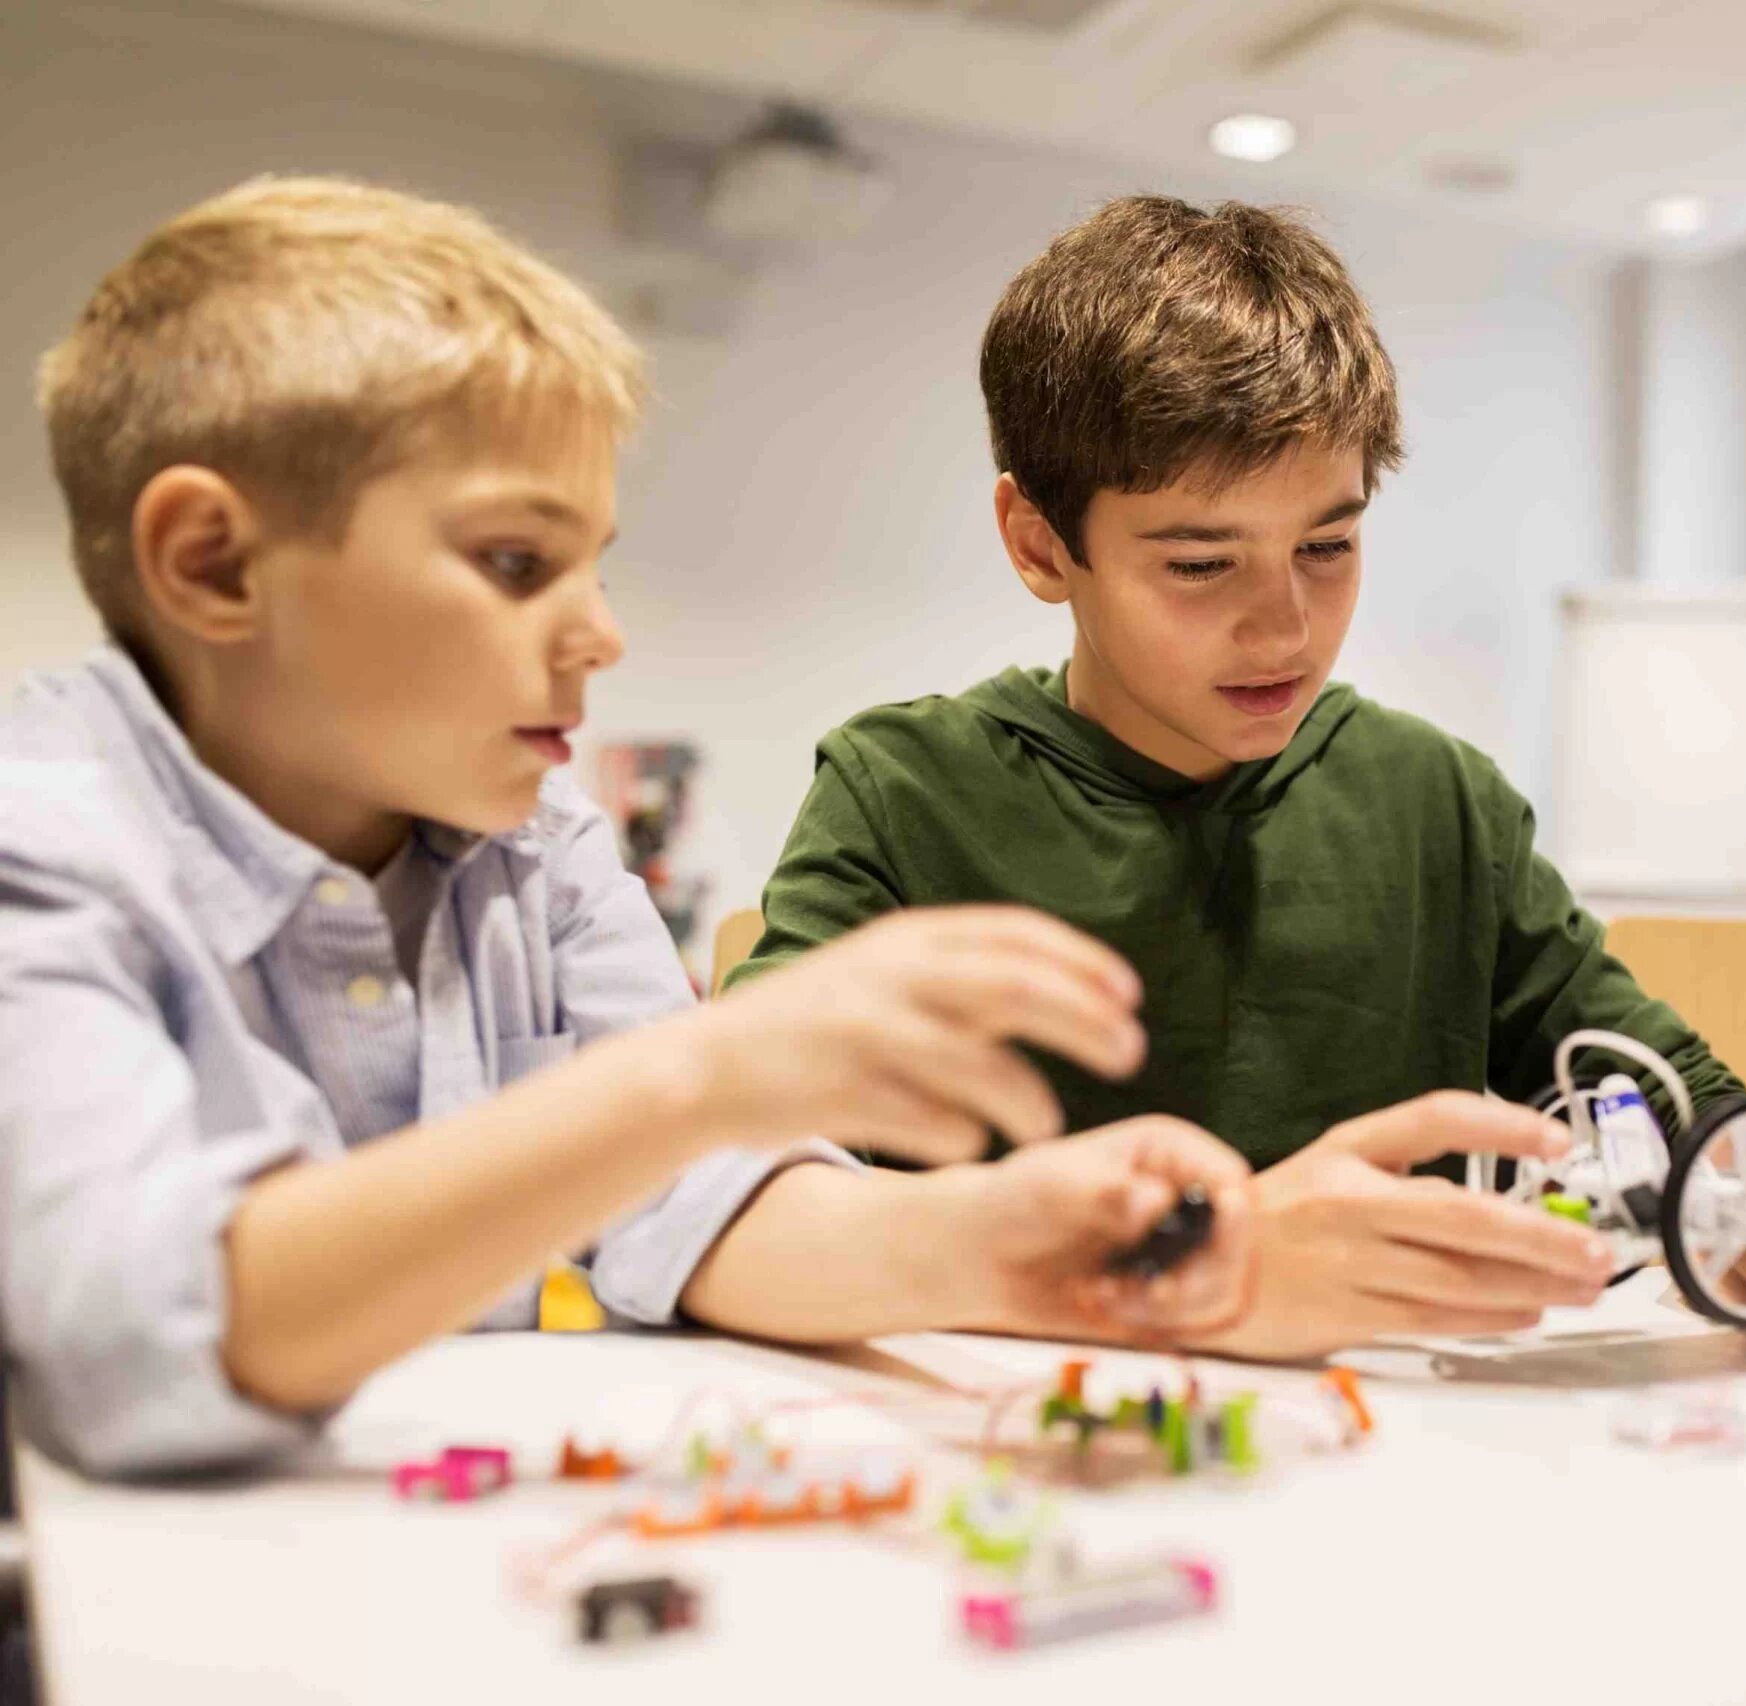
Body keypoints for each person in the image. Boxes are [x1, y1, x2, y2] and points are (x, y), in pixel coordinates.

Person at [0, 177, 1255, 1479]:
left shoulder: (534, 842)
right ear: (214, 564)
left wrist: (1018, 1235)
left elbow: (703, 1201)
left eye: (594, 562)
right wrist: (701, 1074)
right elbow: (132, 1345)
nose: (599, 631)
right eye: (514, 563)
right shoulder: (42, 847)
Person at [729, 194, 1746, 1357]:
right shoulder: (903, 794)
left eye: (1328, 546)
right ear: (1041, 544)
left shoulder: (1436, 800)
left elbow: (1675, 1098)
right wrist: (1191, 1257)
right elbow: (721, 1195)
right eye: (1199, 563)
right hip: (1030, 1455)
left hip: (1402, 1456)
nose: (1283, 626)